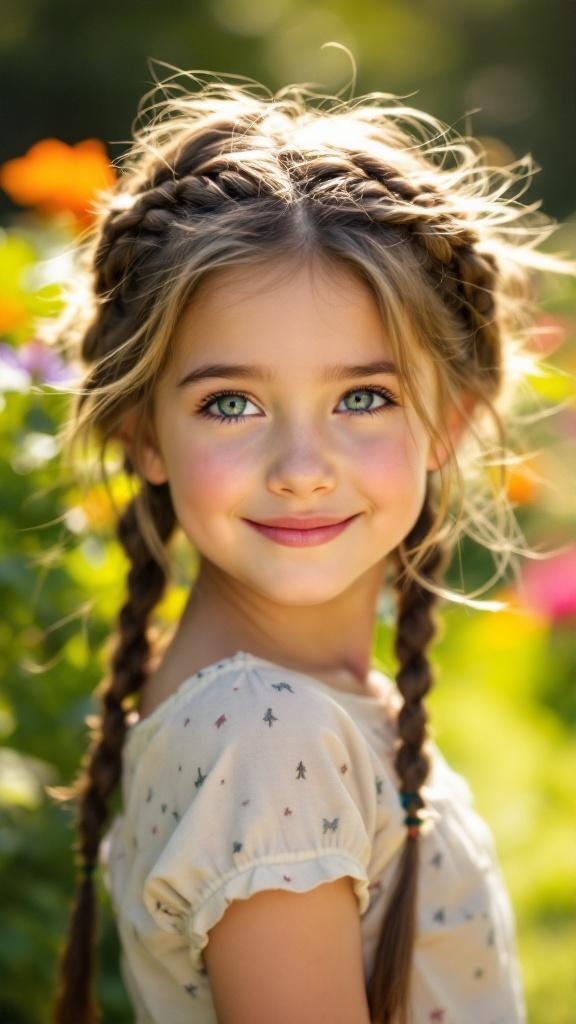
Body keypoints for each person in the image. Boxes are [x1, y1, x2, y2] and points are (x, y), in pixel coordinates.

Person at [50, 67, 572, 1024]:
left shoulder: (275, 711)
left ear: (450, 417)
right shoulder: (267, 735)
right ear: (142, 432)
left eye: (363, 397)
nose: (301, 469)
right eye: (231, 404)